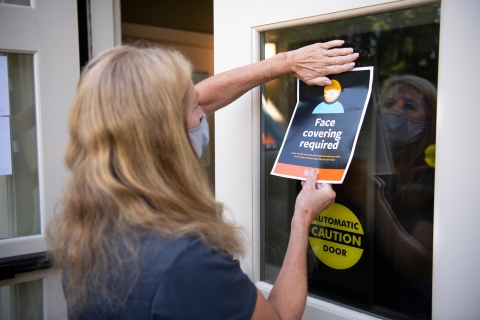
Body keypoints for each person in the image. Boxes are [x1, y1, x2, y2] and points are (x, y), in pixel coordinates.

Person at [47, 41, 358, 319]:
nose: (202, 114)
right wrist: (302, 217)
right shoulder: (186, 260)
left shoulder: (87, 229)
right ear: (167, 136)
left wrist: (283, 63)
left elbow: (200, 100)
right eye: (194, 107)